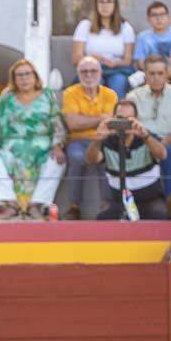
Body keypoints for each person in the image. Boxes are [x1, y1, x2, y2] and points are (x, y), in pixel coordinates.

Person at [0, 58, 65, 221]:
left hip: (42, 149)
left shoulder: (47, 95)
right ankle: (10, 204)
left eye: (27, 74)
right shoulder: (7, 96)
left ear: (34, 76)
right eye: (19, 75)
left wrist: (57, 146)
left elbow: (57, 123)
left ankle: (37, 204)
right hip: (10, 149)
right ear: (14, 79)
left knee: (58, 162)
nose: (24, 78)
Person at [85, 99, 171, 220]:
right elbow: (91, 160)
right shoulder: (107, 140)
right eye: (120, 118)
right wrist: (98, 139)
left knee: (160, 215)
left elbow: (162, 155)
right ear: (113, 118)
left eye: (129, 118)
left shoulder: (145, 136)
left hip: (150, 200)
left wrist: (145, 136)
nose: (124, 123)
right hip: (120, 202)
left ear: (136, 119)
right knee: (103, 220)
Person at [61, 56, 118, 221]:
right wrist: (101, 118)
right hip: (77, 140)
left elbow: (110, 123)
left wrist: (84, 120)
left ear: (100, 73)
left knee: (106, 159)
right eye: (84, 72)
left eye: (93, 71)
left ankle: (107, 205)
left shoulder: (110, 94)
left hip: (104, 138)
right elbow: (72, 124)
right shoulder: (70, 93)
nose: (89, 75)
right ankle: (74, 207)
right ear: (78, 74)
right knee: (77, 158)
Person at [128, 54, 171, 194]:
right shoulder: (133, 96)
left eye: (160, 73)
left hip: (169, 141)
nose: (156, 77)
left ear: (167, 74)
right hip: (142, 140)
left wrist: (160, 146)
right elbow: (130, 124)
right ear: (145, 75)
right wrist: (150, 142)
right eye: (152, 73)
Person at [71, 0, 135, 99]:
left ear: (115, 5)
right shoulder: (85, 26)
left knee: (118, 82)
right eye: (101, 1)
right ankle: (96, 116)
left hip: (116, 69)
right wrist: (91, 57)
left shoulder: (125, 27)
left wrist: (114, 63)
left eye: (109, 1)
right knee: (95, 81)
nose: (105, 5)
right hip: (91, 68)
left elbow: (128, 60)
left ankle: (117, 115)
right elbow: (76, 58)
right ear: (96, 5)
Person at [134, 2, 171, 83]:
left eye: (162, 15)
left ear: (168, 17)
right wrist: (154, 72)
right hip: (150, 71)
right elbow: (140, 63)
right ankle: (158, 79)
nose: (159, 19)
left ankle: (159, 79)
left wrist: (160, 74)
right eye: (154, 15)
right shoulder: (142, 36)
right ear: (148, 19)